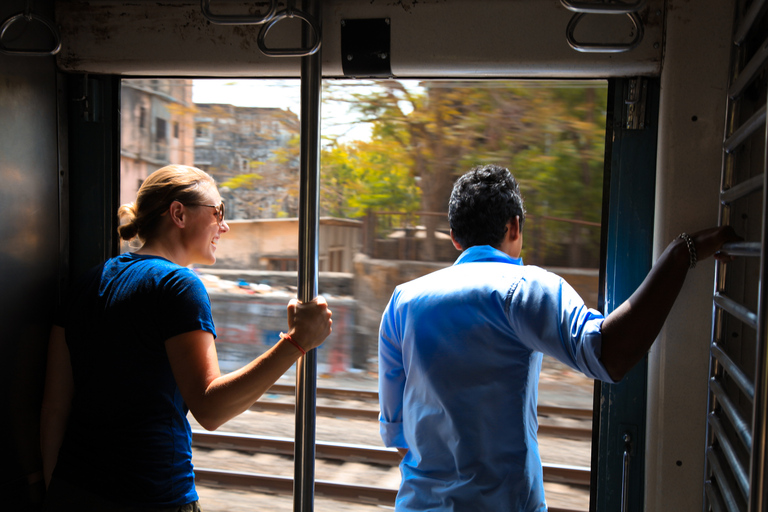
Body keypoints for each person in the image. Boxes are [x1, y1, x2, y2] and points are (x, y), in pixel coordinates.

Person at [377, 164, 738, 511]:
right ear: (515, 226)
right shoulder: (525, 289)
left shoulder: (401, 301)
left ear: (455, 237)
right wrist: (681, 253)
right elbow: (609, 354)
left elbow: (396, 433)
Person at [40, 164, 333, 511]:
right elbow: (210, 408)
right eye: (218, 212)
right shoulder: (179, 285)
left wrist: (53, 493)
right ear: (178, 213)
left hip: (73, 490)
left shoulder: (88, 283)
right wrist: (298, 341)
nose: (223, 226)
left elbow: (55, 406)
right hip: (152, 496)